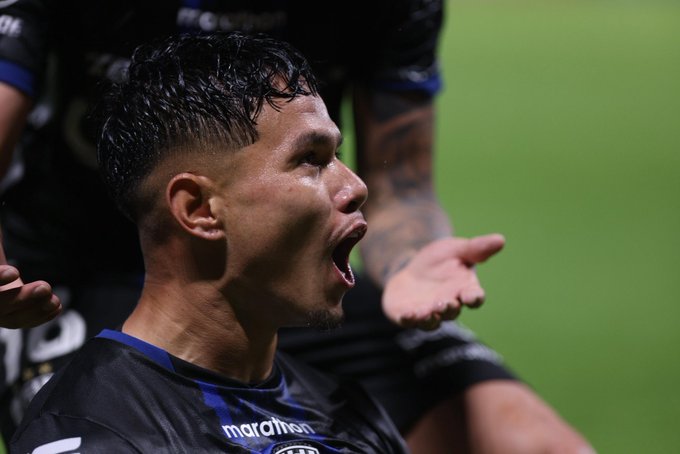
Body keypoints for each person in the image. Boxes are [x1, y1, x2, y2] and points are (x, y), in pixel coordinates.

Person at [0, 1, 592, 452]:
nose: (355, 185)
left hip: (286, 259)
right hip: (59, 280)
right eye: (317, 158)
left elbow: (401, 188)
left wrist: (411, 261)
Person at [10, 31, 410, 453]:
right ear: (199, 208)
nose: (356, 186)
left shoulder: (349, 411)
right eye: (311, 159)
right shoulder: (93, 431)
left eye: (337, 156)